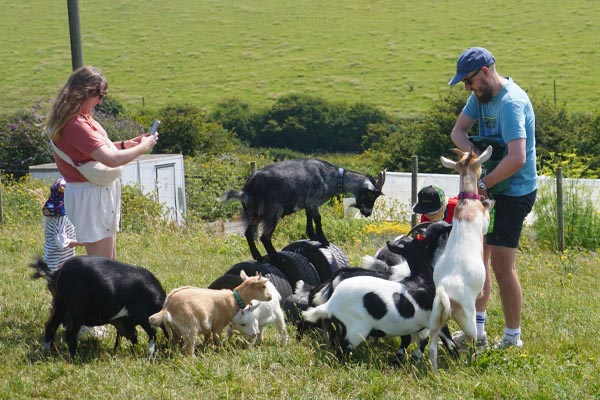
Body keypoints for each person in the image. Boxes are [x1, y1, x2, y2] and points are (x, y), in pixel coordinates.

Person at [447, 47, 537, 349]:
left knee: (501, 264)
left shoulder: (511, 104)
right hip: (489, 188)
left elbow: (517, 159)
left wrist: (483, 183)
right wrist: (475, 155)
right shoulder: (480, 97)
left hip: (514, 192)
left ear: (485, 72)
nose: (467, 88)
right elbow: (458, 132)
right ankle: (478, 332)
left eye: (469, 81)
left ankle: (512, 338)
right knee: (478, 261)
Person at [44, 66, 158, 259]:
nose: (100, 101)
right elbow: (111, 160)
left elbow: (93, 150)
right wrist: (144, 147)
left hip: (95, 193)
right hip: (91, 196)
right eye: (100, 95)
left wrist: (125, 144)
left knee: (108, 263)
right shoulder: (75, 124)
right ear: (86, 93)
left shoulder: (79, 118)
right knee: (102, 266)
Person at [42, 177, 83, 270]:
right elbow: (61, 242)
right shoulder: (61, 217)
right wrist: (83, 243)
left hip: (60, 262)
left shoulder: (61, 214)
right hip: (56, 264)